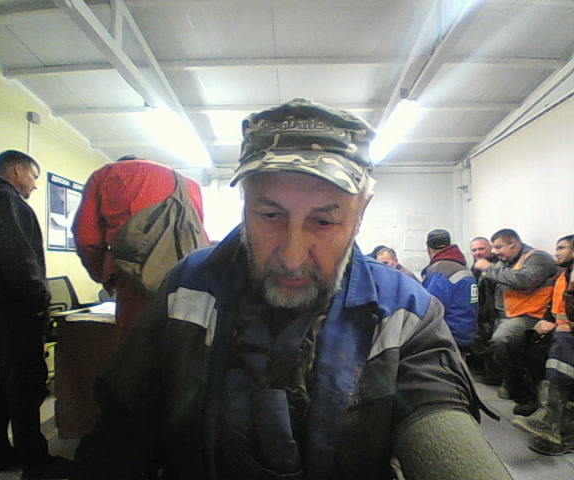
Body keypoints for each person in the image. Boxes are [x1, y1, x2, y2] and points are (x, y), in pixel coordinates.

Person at [71, 98, 511, 480]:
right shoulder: (186, 287)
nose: (292, 256)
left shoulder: (405, 310)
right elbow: (124, 426)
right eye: (270, 215)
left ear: (361, 212)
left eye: (324, 221)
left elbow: (434, 413)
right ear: (244, 203)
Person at [0, 150, 73, 480]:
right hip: (15, 308)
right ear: (17, 170)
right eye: (33, 177)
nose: (34, 185)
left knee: (0, 384)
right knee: (25, 386)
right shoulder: (1, 200)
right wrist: (39, 298)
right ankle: (36, 463)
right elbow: (17, 259)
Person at [71, 155, 206, 337]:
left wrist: (105, 276)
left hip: (133, 282)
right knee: (184, 343)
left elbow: (87, 238)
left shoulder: (108, 174)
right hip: (188, 285)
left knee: (136, 346)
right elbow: (196, 237)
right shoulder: (190, 185)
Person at [473, 229, 558, 410]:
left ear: (513, 243)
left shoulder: (538, 258)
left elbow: (524, 280)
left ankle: (526, 393)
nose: (495, 252)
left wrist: (489, 268)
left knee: (502, 339)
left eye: (499, 247)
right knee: (494, 341)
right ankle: (511, 383)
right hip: (508, 313)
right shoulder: (508, 261)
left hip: (532, 314)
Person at [512, 236, 574, 455]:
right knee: (534, 347)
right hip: (563, 330)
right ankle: (547, 414)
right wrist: (550, 321)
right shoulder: (564, 274)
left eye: (562, 248)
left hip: (567, 335)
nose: (556, 252)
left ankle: (551, 420)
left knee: (560, 356)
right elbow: (559, 306)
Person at [421, 229, 478, 353]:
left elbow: (431, 310)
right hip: (465, 334)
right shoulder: (462, 267)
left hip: (448, 339)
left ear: (428, 248)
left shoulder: (439, 271)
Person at [468, 236, 501, 385]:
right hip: (481, 312)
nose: (477, 252)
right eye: (474, 250)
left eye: (481, 248)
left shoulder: (497, 266)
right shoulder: (475, 267)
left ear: (490, 248)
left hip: (495, 312)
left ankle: (494, 376)